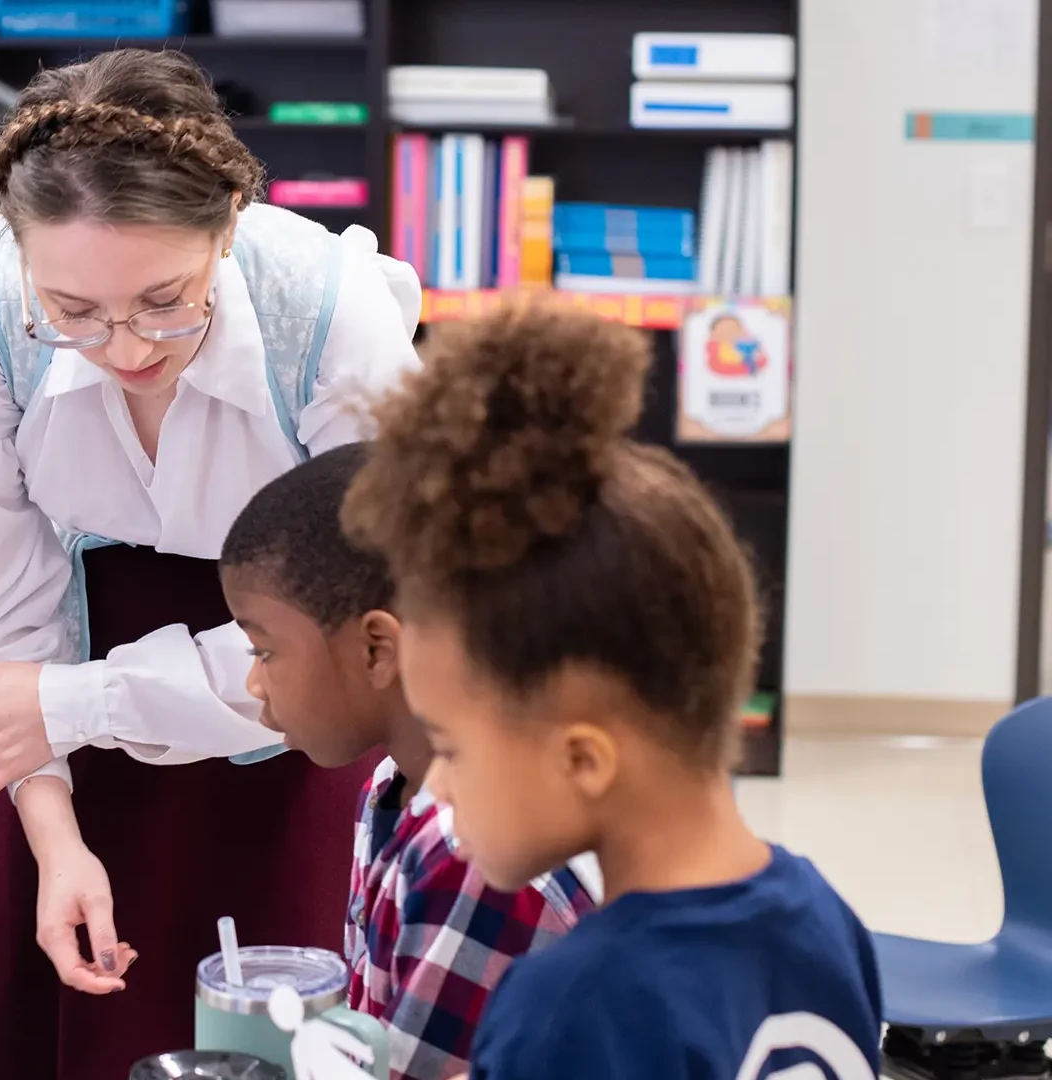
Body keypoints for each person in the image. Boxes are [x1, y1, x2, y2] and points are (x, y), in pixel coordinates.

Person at [0, 48, 423, 1080]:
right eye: (73, 312)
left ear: (228, 227)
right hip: (32, 690)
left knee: (269, 1004)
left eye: (167, 300)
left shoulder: (332, 321)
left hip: (289, 687)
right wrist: (52, 824)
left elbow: (361, 616)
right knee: (15, 1017)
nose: (124, 348)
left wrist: (82, 702)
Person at [341, 300, 882, 1080]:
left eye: (452, 746)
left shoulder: (569, 1008)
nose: (442, 787)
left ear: (585, 758)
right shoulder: (825, 918)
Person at [218, 445, 596, 1080]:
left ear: (376, 648)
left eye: (265, 651)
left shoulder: (475, 855)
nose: (255, 684)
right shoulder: (389, 790)